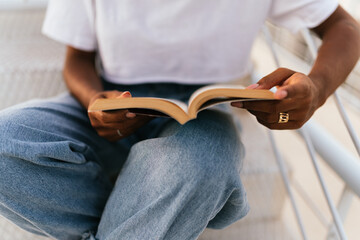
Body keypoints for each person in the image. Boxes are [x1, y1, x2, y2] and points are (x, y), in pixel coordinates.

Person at [0, 0, 359, 239]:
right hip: (115, 99)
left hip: (206, 109)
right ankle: (156, 211)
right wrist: (94, 99)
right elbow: (77, 60)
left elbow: (345, 27)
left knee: (199, 165)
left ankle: (151, 206)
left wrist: (317, 87)